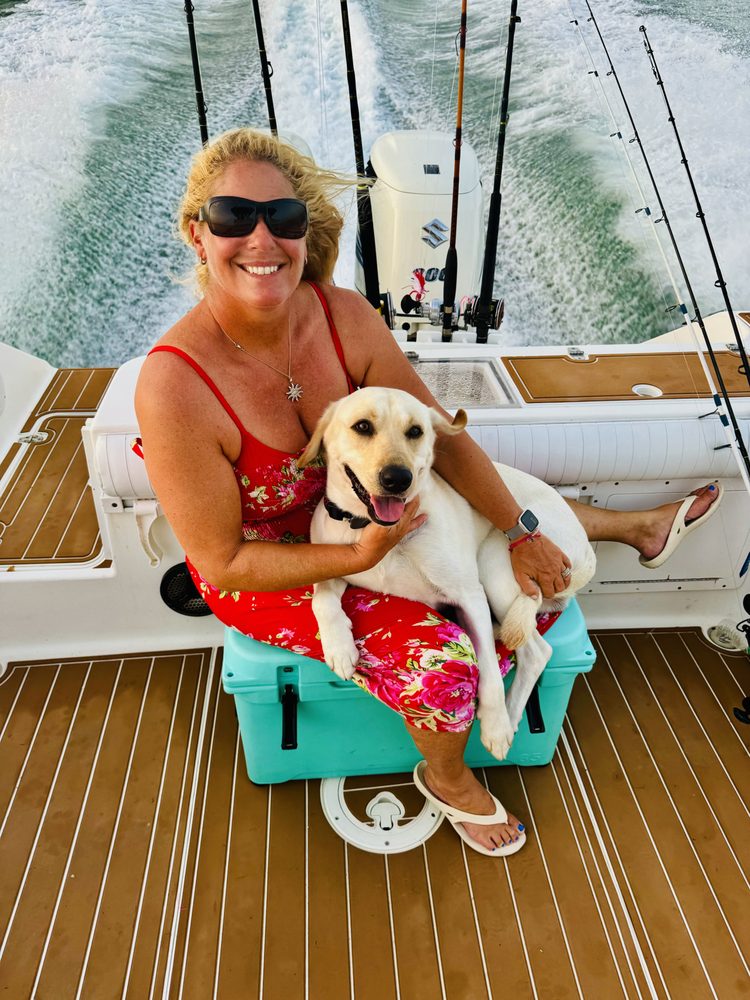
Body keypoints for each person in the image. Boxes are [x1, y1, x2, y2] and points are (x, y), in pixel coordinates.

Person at [135, 128, 721, 857]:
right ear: (198, 234)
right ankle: (448, 779)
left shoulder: (344, 316)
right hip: (266, 563)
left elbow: (440, 440)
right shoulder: (174, 386)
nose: (261, 239)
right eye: (232, 218)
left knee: (496, 552)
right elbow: (222, 561)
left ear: (304, 231)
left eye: (283, 219)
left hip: (371, 509)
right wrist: (357, 556)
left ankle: (627, 529)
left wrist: (521, 530)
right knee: (453, 660)